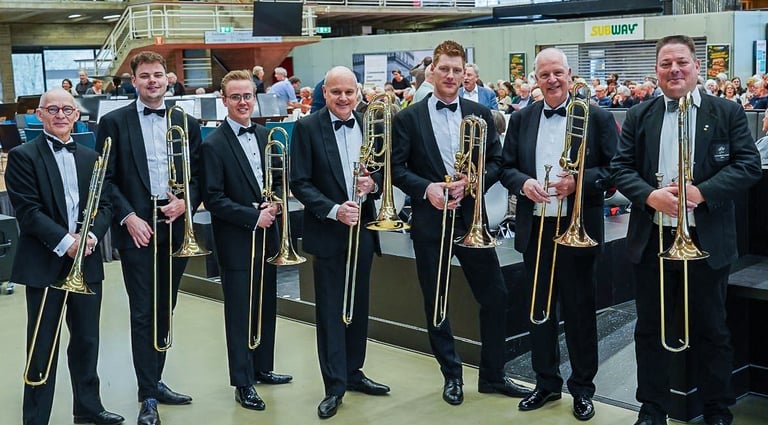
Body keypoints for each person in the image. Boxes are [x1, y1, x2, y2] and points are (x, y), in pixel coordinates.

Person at [611, 35, 762, 425]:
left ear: (697, 67)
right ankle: (652, 409)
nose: (674, 70)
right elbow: (621, 168)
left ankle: (716, 409)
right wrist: (650, 196)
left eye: (681, 62)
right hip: (654, 240)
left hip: (705, 241)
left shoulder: (727, 111)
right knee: (650, 329)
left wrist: (702, 191)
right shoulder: (640, 115)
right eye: (666, 64)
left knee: (712, 330)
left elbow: (748, 165)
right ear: (656, 71)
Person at [391, 40, 529, 407]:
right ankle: (451, 375)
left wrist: (474, 182)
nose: (451, 75)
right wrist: (427, 189)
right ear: (432, 71)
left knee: (495, 296)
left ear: (465, 73)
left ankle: (493, 376)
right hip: (430, 220)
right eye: (445, 69)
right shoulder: (407, 118)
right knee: (437, 301)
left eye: (457, 70)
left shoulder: (480, 113)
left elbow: (498, 161)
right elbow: (396, 169)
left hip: (471, 220)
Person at [500, 47, 618, 421]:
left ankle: (582, 389)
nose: (551, 80)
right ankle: (546, 383)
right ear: (535, 79)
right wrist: (524, 184)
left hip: (576, 227)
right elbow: (505, 167)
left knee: (580, 311)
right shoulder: (522, 118)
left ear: (570, 75)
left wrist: (579, 182)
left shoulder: (597, 117)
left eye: (557, 73)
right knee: (539, 310)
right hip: (536, 225)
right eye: (544, 74)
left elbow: (615, 170)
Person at [95, 51, 203, 425]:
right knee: (143, 312)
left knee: (165, 309)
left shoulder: (186, 122)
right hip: (137, 229)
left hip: (175, 226)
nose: (152, 81)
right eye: (145, 76)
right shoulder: (113, 122)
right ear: (134, 81)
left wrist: (186, 202)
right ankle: (148, 396)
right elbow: (106, 179)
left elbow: (199, 174)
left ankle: (155, 380)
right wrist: (128, 217)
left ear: (167, 79)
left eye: (158, 74)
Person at [6, 88, 124, 425]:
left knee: (87, 340)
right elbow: (28, 211)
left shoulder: (90, 157)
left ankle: (88, 408)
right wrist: (65, 242)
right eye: (53, 109)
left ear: (76, 116)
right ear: (40, 114)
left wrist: (90, 237)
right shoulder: (23, 156)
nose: (60, 115)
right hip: (46, 262)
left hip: (86, 261)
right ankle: (36, 417)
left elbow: (104, 205)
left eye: (67, 110)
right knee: (42, 343)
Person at [290, 65, 389, 419]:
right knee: (331, 311)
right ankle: (334, 385)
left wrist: (373, 184)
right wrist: (334, 210)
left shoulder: (369, 123)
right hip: (329, 230)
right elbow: (299, 182)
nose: (343, 98)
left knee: (358, 306)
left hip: (363, 228)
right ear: (325, 93)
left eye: (349, 92)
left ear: (357, 93)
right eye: (336, 92)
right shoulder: (307, 127)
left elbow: (381, 169)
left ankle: (354, 371)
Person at [200, 70, 292, 412]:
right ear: (224, 101)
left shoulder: (266, 135)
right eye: (236, 97)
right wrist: (253, 215)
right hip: (237, 238)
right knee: (240, 311)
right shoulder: (212, 144)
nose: (243, 102)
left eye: (248, 96)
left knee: (266, 303)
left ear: (255, 98)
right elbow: (213, 198)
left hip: (268, 235)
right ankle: (242, 381)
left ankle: (262, 367)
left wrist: (277, 203)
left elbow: (278, 181)